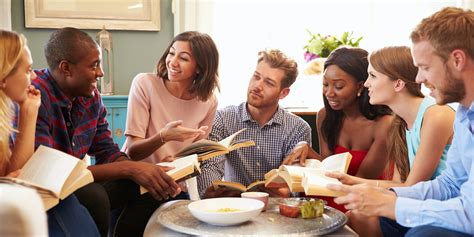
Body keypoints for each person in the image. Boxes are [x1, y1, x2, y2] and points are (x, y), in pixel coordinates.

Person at [328, 7, 474, 236]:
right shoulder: (465, 115)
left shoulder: (439, 114)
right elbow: (449, 185)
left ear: (457, 59)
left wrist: (390, 204)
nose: (418, 79)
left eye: (425, 68)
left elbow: (469, 212)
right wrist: (388, 195)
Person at [32, 27, 180, 237]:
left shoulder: (91, 97)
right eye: (94, 66)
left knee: (150, 187)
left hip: (73, 183)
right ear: (66, 68)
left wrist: (143, 170)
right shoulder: (35, 97)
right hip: (46, 190)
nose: (101, 73)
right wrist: (130, 168)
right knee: (94, 195)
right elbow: (51, 174)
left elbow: (106, 151)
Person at [119, 31, 219, 236]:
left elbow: (196, 155)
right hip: (136, 178)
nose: (172, 62)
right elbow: (132, 152)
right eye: (171, 53)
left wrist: (179, 161)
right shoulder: (145, 84)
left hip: (173, 183)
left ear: (200, 68)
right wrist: (164, 136)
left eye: (183, 58)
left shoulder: (208, 101)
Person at [1, 29, 99, 237]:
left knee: (70, 204)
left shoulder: (7, 115)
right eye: (28, 70)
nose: (34, 75)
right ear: (3, 78)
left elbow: (19, 170)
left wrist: (29, 112)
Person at [284, 47, 393, 211]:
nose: (329, 93)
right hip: (332, 191)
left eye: (339, 86)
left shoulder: (384, 125)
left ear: (360, 86)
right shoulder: (325, 116)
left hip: (361, 198)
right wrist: (306, 148)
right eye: (325, 84)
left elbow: (361, 180)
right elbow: (329, 168)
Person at [197, 49, 312, 198]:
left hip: (276, 211)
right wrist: (209, 190)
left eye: (269, 83)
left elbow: (297, 180)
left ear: (283, 93)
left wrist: (287, 192)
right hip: (234, 206)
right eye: (256, 77)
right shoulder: (223, 118)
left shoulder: (299, 128)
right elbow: (211, 164)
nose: (257, 86)